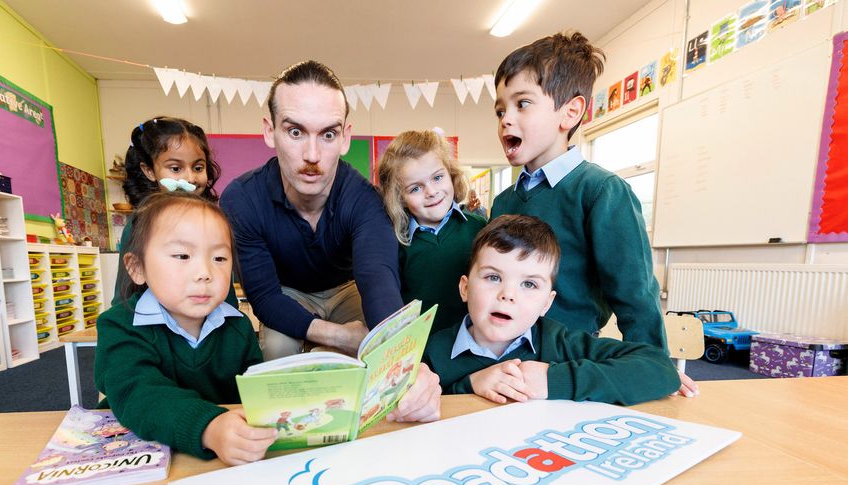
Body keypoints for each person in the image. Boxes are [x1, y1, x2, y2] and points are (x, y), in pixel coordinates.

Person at [220, 59, 442, 424]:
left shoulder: (364, 199)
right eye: (295, 132)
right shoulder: (242, 199)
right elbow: (263, 297)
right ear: (269, 131)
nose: (312, 155)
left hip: (345, 289)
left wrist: (410, 368)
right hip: (286, 292)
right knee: (275, 349)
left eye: (327, 134)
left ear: (345, 137)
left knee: (378, 347)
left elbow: (379, 282)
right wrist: (338, 337)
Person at [489, 31, 698, 397]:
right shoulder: (503, 201)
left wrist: (652, 365)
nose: (506, 119)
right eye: (500, 109)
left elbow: (634, 293)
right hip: (503, 360)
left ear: (570, 112)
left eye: (522, 104)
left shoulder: (601, 191)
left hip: (567, 360)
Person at [95, 192, 275, 466]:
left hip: (215, 465)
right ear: (137, 267)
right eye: (182, 255)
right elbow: (139, 394)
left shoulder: (237, 326)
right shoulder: (119, 326)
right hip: (138, 458)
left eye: (219, 258)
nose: (204, 272)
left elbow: (254, 394)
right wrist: (209, 427)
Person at [422, 215, 680, 405]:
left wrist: (554, 379)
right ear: (465, 288)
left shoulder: (560, 342)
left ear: (547, 303)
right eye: (493, 277)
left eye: (529, 284)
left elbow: (660, 368)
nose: (507, 295)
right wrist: (468, 386)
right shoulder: (432, 353)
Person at [114, 116, 236, 307]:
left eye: (198, 167)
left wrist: (231, 320)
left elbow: (224, 285)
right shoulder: (140, 224)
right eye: (175, 168)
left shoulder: (212, 221)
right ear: (150, 171)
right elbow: (123, 296)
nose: (189, 177)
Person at [377, 129, 486, 334]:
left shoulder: (479, 228)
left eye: (437, 178)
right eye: (415, 189)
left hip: (472, 343)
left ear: (451, 174)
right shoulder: (396, 242)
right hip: (421, 351)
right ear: (399, 197)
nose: (432, 192)